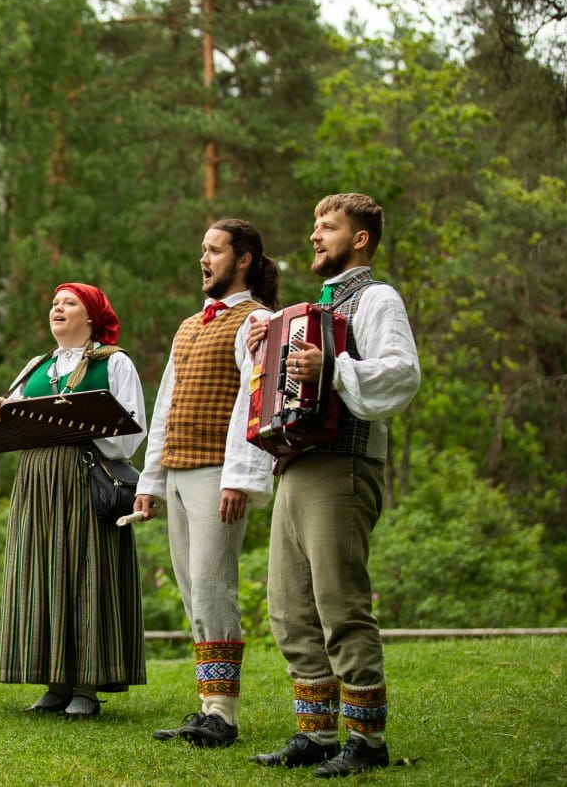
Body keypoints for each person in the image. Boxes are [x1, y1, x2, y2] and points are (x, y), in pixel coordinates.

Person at [246, 194, 420, 777]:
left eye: (328, 226)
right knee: (289, 606)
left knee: (339, 603)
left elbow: (402, 372)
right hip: (296, 462)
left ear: (360, 238)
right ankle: (316, 734)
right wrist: (264, 354)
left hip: (344, 461)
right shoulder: (313, 309)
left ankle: (367, 740)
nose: (315, 235)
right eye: (315, 225)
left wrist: (334, 368)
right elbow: (285, 387)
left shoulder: (377, 298)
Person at [139, 219, 278, 747]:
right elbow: (165, 407)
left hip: (218, 473)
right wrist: (151, 481)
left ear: (242, 260)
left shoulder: (255, 320)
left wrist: (239, 477)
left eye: (215, 251)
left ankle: (223, 713)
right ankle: (207, 706)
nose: (204, 259)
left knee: (214, 588)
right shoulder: (189, 326)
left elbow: (253, 400)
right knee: (192, 590)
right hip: (178, 470)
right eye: (203, 250)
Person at [0, 282, 148, 719]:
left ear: (91, 316)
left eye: (69, 303)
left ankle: (87, 686)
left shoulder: (115, 362)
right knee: (42, 572)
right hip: (37, 483)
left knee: (85, 571)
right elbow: (15, 416)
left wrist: (80, 425)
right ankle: (55, 683)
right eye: (55, 303)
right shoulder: (37, 365)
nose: (57, 309)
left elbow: (131, 433)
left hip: (84, 478)